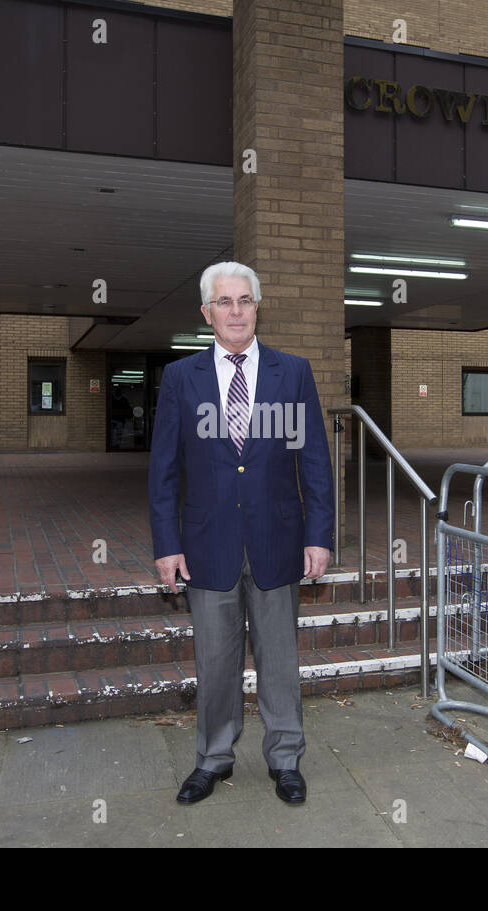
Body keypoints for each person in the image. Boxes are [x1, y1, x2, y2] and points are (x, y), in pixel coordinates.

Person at [148, 261, 334, 806]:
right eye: (224, 302)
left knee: (280, 660)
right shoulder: (181, 379)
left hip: (278, 540)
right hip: (207, 545)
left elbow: (315, 463)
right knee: (215, 662)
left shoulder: (293, 372)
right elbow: (164, 470)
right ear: (206, 312)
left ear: (257, 307)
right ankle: (212, 759)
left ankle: (285, 759)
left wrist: (318, 535)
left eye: (245, 301)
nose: (235, 311)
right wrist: (167, 544)